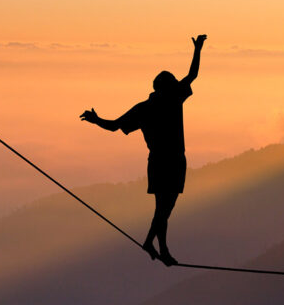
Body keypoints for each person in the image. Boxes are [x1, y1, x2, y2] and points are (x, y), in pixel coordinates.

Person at [80, 34, 207, 266]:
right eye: (173, 82)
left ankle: (158, 246)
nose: (176, 84)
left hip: (159, 161)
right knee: (165, 209)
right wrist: (197, 49)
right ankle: (155, 245)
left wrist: (96, 120)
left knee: (163, 208)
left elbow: (114, 126)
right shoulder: (173, 99)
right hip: (173, 161)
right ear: (167, 87)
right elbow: (192, 75)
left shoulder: (145, 108)